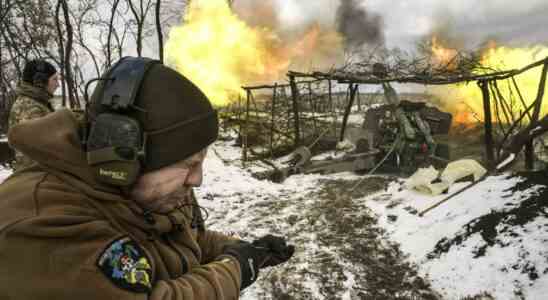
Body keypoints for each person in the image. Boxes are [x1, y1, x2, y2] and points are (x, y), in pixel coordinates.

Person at [0, 57, 294, 299]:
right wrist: (236, 269)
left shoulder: (148, 193)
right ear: (121, 159)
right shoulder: (43, 223)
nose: (197, 180)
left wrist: (243, 249)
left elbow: (185, 238)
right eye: (188, 164)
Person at [8, 59, 60, 170]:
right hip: (35, 176)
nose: (58, 84)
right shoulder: (29, 108)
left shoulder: (38, 103)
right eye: (54, 79)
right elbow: (37, 153)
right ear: (40, 82)